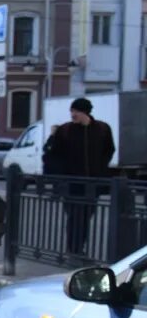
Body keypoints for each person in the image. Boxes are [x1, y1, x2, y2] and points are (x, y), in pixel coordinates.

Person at [50, 98, 116, 255]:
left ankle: (80, 247)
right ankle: (73, 249)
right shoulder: (65, 130)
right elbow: (55, 155)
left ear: (85, 112)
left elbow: (109, 149)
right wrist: (60, 179)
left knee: (86, 216)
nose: (73, 115)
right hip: (72, 183)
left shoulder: (102, 129)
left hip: (93, 184)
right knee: (74, 216)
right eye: (71, 111)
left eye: (76, 111)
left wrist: (100, 169)